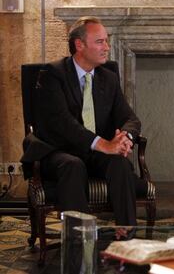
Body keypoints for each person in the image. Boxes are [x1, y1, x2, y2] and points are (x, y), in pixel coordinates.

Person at [33, 16, 147, 225]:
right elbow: (63, 123)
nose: (107, 47)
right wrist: (104, 144)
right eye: (100, 41)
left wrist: (125, 138)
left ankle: (127, 233)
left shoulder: (108, 77)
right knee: (73, 165)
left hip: (94, 152)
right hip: (59, 150)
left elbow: (130, 118)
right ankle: (79, 243)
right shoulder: (52, 74)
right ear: (79, 45)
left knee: (120, 163)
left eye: (107, 40)